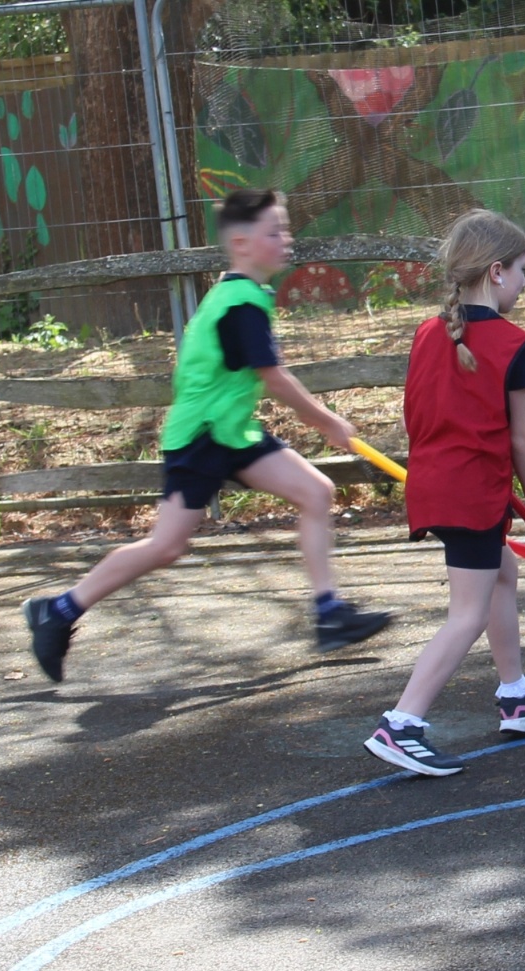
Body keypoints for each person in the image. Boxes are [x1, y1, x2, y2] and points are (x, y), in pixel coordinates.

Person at [21, 188, 389, 683]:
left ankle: (329, 614)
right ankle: (58, 610)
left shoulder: (241, 295)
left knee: (316, 491)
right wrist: (329, 423)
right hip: (201, 438)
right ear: (241, 244)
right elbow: (273, 377)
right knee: (166, 546)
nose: (286, 239)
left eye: (285, 229)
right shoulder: (239, 303)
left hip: (231, 432)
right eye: (274, 231)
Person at [362, 209, 525, 778]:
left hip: (437, 485)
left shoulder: (428, 333)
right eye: (522, 270)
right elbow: (520, 439)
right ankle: (402, 724)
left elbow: (423, 414)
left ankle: (516, 695)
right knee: (467, 614)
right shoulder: (512, 343)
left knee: (501, 575)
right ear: (496, 272)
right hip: (472, 494)